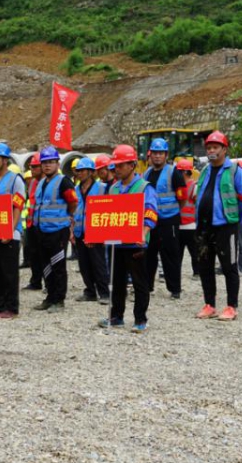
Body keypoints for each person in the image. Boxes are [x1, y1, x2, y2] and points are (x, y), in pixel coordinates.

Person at [99, 144, 158, 332]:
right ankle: (116, 316)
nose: (117, 169)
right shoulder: (113, 189)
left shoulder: (144, 187)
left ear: (132, 165)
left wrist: (143, 233)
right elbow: (107, 214)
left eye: (121, 165)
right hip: (117, 244)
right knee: (117, 282)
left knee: (140, 283)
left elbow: (151, 213)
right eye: (115, 166)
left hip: (135, 243)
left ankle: (140, 319)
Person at [192, 131, 242, 321]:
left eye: (215, 147)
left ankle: (232, 306)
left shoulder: (236, 172)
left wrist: (233, 219)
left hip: (226, 227)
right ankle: (209, 305)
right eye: (209, 148)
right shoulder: (205, 171)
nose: (211, 151)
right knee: (205, 266)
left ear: (224, 149)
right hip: (204, 227)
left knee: (229, 266)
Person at [30, 146, 77, 312]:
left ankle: (59, 300)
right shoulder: (41, 183)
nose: (47, 165)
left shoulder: (64, 181)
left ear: (57, 163)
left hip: (58, 231)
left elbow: (73, 201)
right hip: (42, 230)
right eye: (44, 162)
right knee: (46, 266)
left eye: (51, 162)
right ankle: (50, 297)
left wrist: (67, 216)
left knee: (58, 266)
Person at [0, 143, 27, 319]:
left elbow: (18, 206)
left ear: (5, 160)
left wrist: (10, 230)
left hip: (10, 233)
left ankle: (11, 307)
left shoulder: (15, 180)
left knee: (9, 272)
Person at [143, 138, 187, 299]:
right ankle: (147, 286)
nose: (157, 156)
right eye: (155, 153)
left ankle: (175, 289)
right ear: (150, 154)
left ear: (166, 155)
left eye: (160, 153)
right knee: (148, 255)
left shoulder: (174, 173)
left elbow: (182, 197)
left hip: (169, 220)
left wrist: (174, 212)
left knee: (170, 255)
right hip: (150, 221)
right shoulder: (146, 173)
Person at [72, 157, 110, 303]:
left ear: (91, 172)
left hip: (96, 232)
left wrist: (103, 233)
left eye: (83, 171)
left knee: (98, 263)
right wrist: (71, 231)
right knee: (84, 264)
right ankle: (90, 291)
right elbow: (72, 211)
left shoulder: (102, 188)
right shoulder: (75, 190)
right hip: (79, 231)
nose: (80, 173)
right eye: (78, 171)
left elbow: (108, 209)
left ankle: (104, 293)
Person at [176, 158, 199, 277]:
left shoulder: (194, 186)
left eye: (179, 172)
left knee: (194, 252)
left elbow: (197, 204)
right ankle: (176, 273)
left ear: (185, 172)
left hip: (190, 225)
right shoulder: (178, 186)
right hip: (179, 225)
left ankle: (197, 272)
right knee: (178, 253)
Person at [22, 152, 43, 285]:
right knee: (33, 254)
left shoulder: (47, 182)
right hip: (31, 224)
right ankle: (36, 281)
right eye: (31, 167)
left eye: (35, 167)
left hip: (44, 224)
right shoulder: (33, 183)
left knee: (45, 255)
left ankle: (49, 284)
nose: (32, 170)